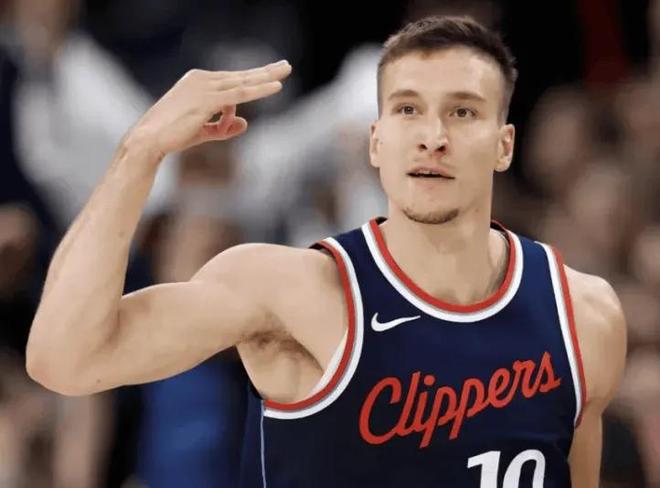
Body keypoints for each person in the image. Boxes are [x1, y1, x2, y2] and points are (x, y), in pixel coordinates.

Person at [25, 15, 627, 488]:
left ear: (504, 145)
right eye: (408, 109)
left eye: (463, 112)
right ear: (375, 141)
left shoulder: (585, 316)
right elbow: (64, 358)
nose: (433, 137)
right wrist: (140, 151)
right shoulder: (291, 290)